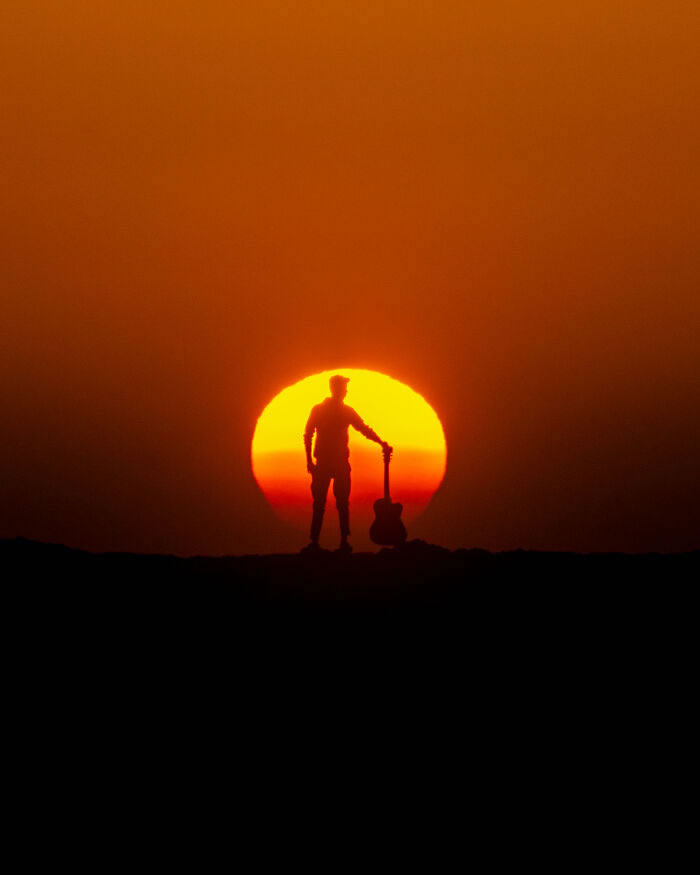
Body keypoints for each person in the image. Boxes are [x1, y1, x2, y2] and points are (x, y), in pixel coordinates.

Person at [302, 375, 391, 553]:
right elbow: (308, 434)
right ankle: (317, 541)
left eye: (345, 389)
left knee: (339, 503)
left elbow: (364, 428)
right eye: (343, 388)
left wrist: (381, 442)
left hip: (339, 463)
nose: (346, 391)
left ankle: (341, 541)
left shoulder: (345, 411)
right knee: (323, 503)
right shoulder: (320, 410)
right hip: (325, 462)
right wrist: (309, 462)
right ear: (336, 389)